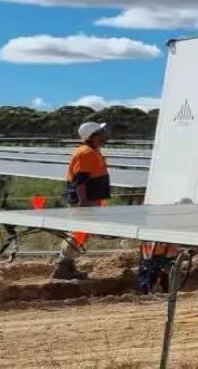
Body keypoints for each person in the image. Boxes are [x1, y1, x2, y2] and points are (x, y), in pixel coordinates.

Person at [51, 120, 111, 280]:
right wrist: (83, 201)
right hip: (85, 200)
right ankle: (63, 266)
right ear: (93, 136)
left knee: (80, 232)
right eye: (101, 132)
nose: (105, 134)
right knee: (78, 232)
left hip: (90, 199)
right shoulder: (86, 153)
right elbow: (80, 180)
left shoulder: (93, 151)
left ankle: (66, 265)